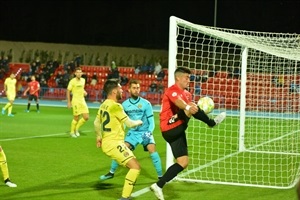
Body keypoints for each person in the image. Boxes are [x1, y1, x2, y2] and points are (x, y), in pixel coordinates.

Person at [149, 67, 226, 200]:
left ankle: (158, 186)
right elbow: (178, 102)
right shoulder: (172, 90)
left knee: (183, 162)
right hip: (168, 126)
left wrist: (190, 107)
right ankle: (211, 123)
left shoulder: (188, 94)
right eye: (186, 77)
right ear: (178, 78)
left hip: (178, 129)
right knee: (190, 105)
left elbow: (189, 107)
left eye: (189, 78)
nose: (189, 80)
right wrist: (188, 107)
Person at [99, 79, 163, 181]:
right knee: (120, 148)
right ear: (129, 89)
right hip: (132, 133)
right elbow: (123, 121)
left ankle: (160, 176)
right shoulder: (124, 105)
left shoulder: (146, 104)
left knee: (152, 150)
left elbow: (151, 122)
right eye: (134, 88)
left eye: (138, 88)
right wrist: (121, 134)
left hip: (144, 132)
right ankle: (111, 172)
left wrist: (149, 132)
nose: (136, 90)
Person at [94, 79, 143, 200]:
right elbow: (130, 124)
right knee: (135, 167)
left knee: (132, 165)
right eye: (120, 89)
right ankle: (125, 197)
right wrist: (140, 122)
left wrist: (98, 137)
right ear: (115, 91)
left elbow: (96, 122)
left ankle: (126, 195)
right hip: (114, 143)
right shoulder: (116, 106)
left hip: (109, 142)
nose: (122, 91)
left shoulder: (104, 104)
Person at [67, 67, 89, 138]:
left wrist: (84, 91)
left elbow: (81, 88)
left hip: (82, 100)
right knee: (76, 117)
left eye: (80, 72)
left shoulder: (83, 80)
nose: (79, 74)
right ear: (75, 73)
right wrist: (69, 102)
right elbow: (68, 91)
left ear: (82, 73)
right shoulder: (72, 81)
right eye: (78, 72)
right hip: (75, 101)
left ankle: (76, 129)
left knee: (86, 117)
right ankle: (72, 132)